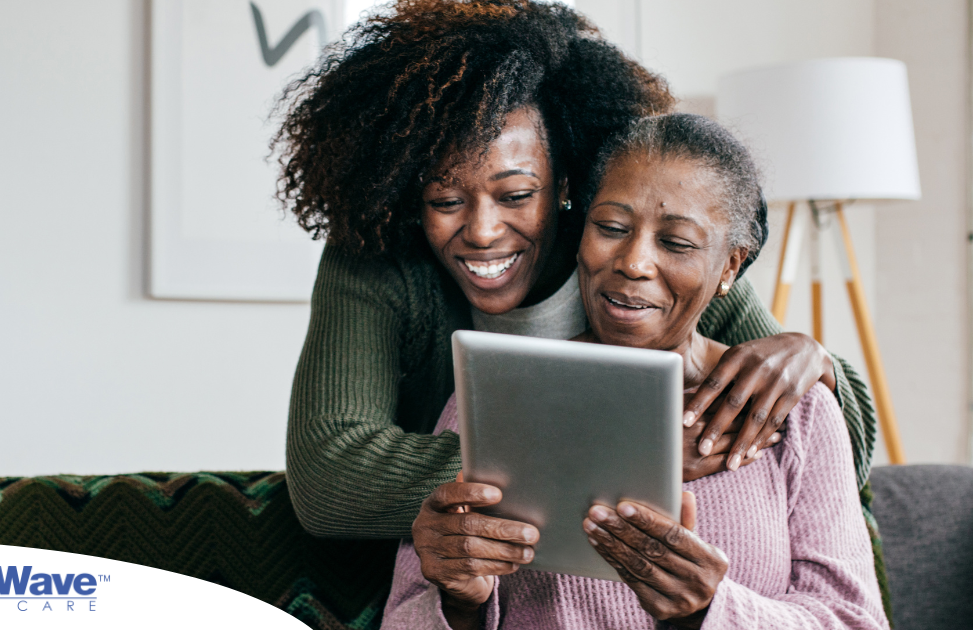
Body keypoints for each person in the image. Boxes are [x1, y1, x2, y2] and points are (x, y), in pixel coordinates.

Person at [275, 0, 876, 543]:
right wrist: (623, 455)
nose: (482, 231)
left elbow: (841, 450)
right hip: (457, 573)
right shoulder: (378, 255)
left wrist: (814, 362)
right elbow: (331, 480)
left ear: (565, 185)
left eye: (516, 195)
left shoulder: (643, 258)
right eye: (445, 201)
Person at [383, 113, 889, 629]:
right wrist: (457, 604)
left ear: (730, 267)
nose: (633, 262)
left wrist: (711, 612)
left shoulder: (798, 412)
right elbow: (403, 621)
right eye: (611, 228)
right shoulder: (492, 392)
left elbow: (855, 622)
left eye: (676, 243)